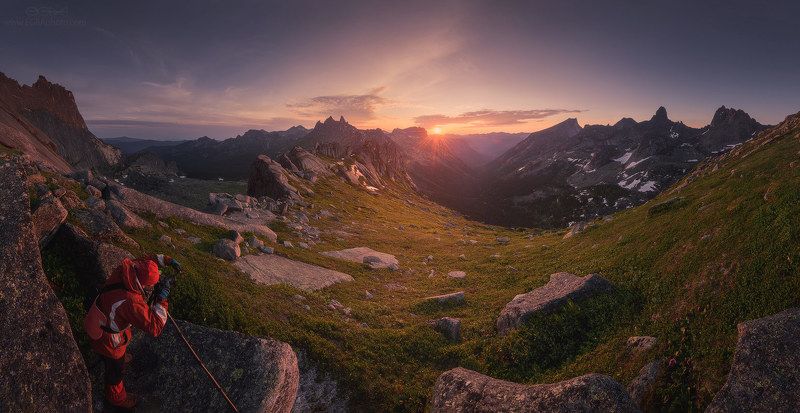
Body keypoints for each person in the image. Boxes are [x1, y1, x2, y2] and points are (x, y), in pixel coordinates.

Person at [84, 254, 181, 409]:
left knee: (118, 347)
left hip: (97, 315)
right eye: (151, 285)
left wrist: (168, 260)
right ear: (144, 285)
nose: (151, 288)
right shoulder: (131, 301)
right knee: (115, 371)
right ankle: (116, 398)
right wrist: (161, 299)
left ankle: (113, 356)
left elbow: (148, 262)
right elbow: (155, 327)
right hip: (108, 339)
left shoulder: (127, 268)